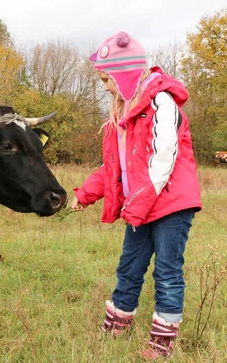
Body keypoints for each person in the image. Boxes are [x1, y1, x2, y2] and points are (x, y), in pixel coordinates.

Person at [71, 31, 202, 359]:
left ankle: (162, 342)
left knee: (167, 271)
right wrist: (84, 195)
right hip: (139, 206)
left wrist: (138, 205)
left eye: (106, 80)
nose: (104, 88)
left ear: (124, 73)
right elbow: (112, 168)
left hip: (170, 204)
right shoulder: (120, 116)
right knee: (129, 266)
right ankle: (117, 326)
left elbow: (163, 159)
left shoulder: (162, 102)